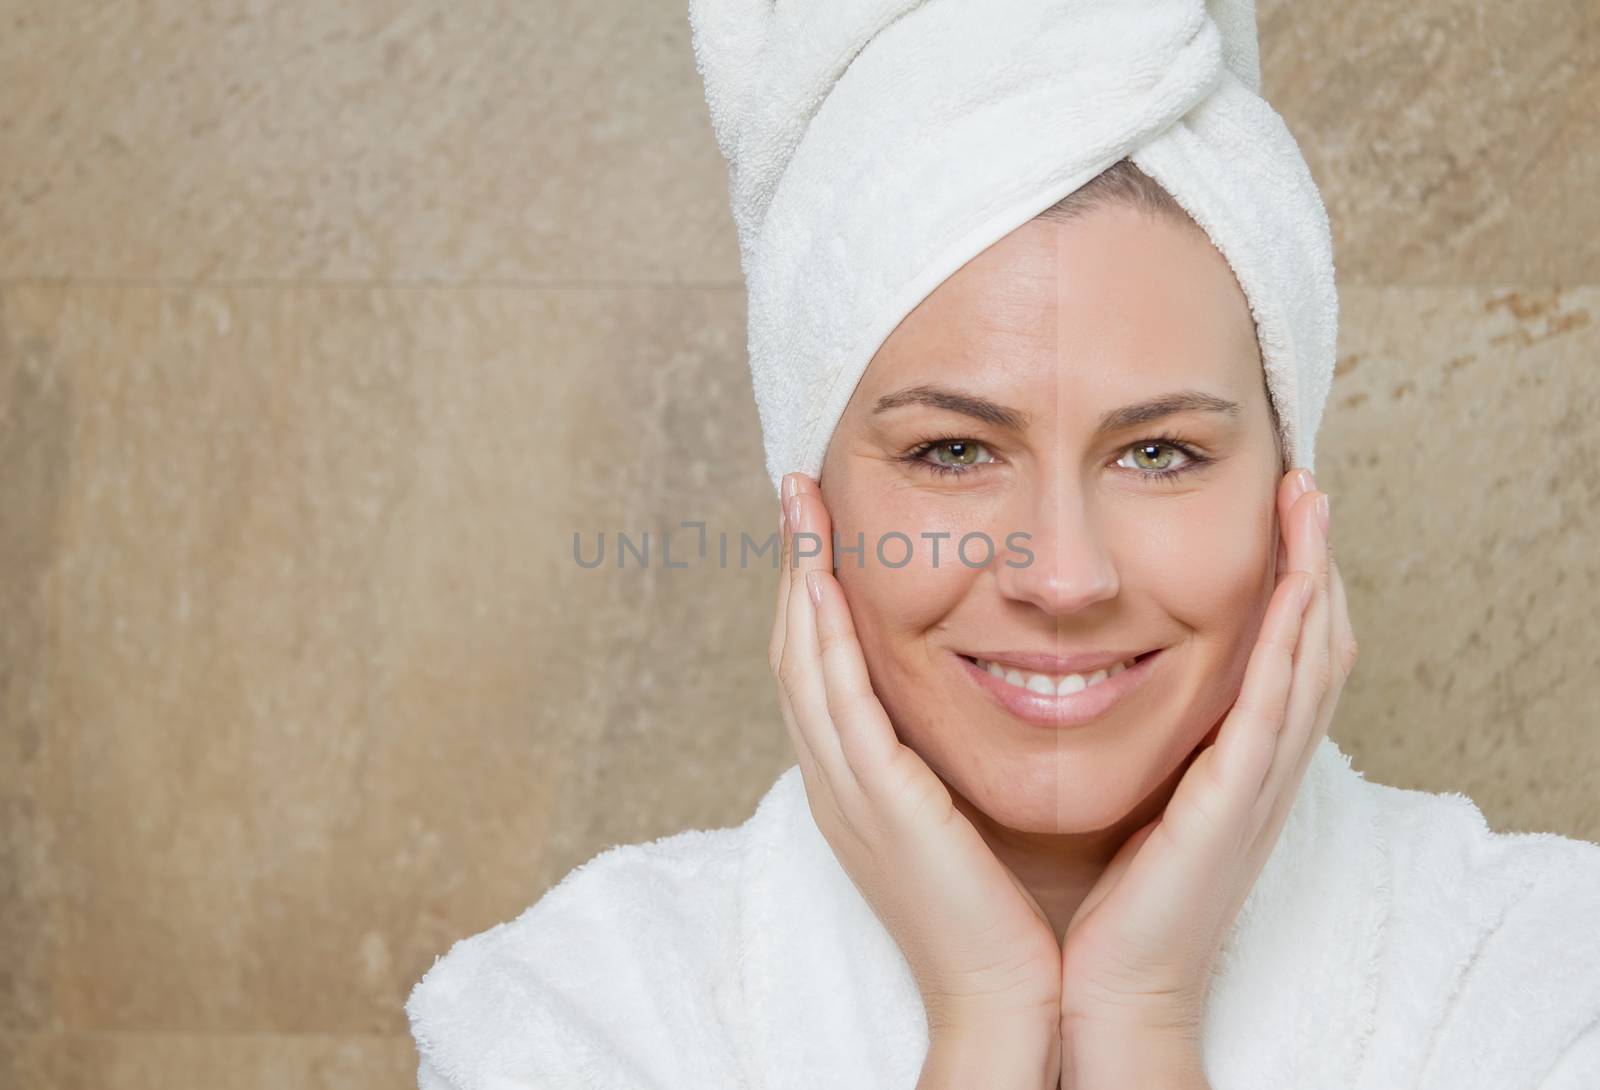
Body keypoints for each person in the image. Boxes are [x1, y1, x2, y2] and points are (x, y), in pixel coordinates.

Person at [406, 4, 1600, 1088]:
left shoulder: (1547, 985)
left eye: (1160, 453)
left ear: (1292, 497)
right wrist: (984, 1023)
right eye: (952, 453)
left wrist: (1141, 1019)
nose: (1063, 577)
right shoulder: (577, 1016)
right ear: (809, 513)